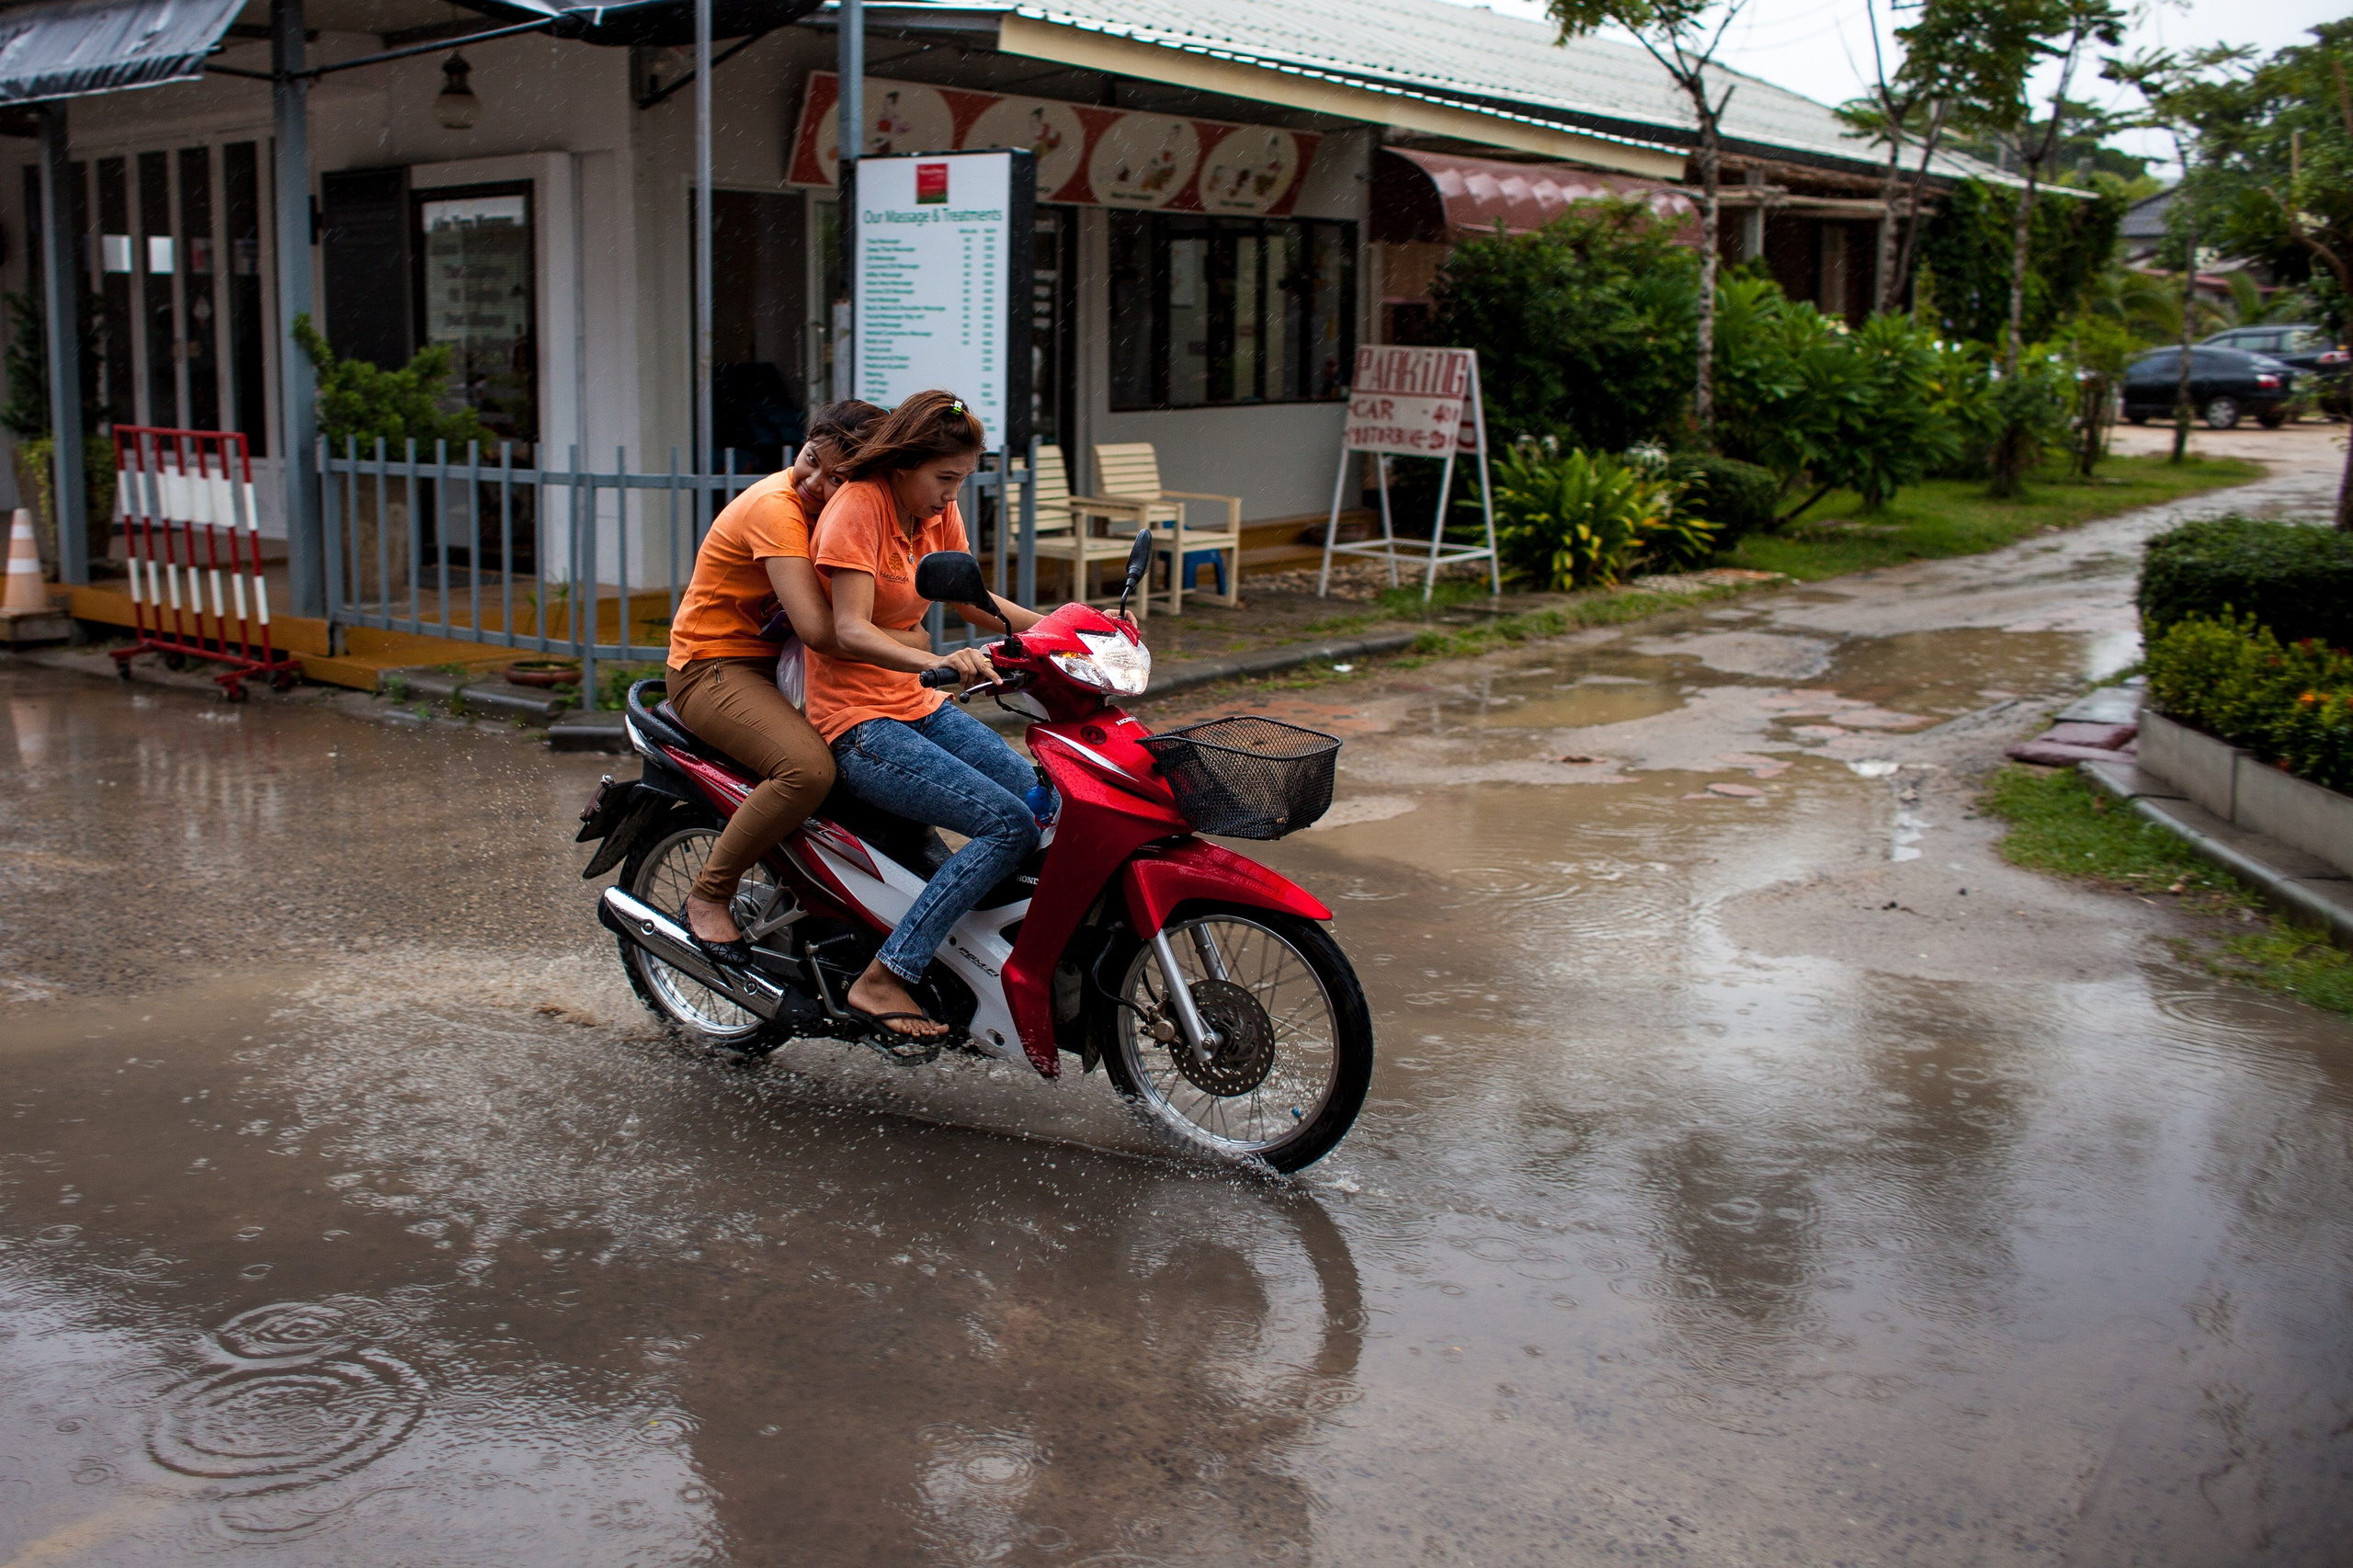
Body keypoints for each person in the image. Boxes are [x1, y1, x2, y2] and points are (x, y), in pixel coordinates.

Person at [802, 391, 1047, 1038]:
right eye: (944, 479)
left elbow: (976, 602)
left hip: (917, 704)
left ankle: (983, 955)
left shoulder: (934, 512)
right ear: (906, 464)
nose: (950, 495)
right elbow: (849, 630)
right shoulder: (857, 508)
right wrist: (935, 661)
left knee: (1045, 803)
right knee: (1008, 826)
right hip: (858, 723)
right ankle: (887, 975)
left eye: (960, 481)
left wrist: (1075, 628)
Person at [662, 398, 926, 965]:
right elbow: (818, 629)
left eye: (835, 478)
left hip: (790, 672)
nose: (812, 481)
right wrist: (918, 646)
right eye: (810, 460)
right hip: (713, 668)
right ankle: (710, 893)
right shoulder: (776, 509)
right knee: (807, 770)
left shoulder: (861, 515)